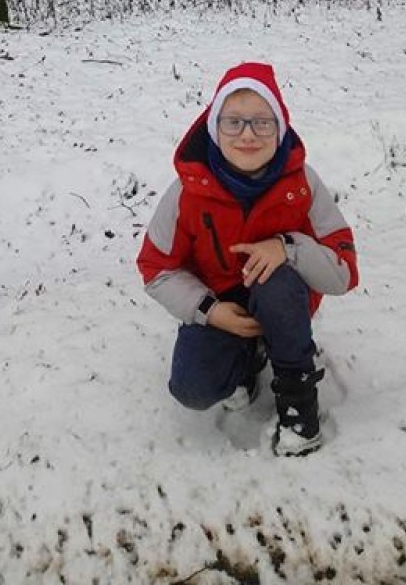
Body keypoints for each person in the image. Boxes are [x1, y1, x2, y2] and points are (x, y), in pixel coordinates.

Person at [137, 61, 358, 456]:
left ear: (280, 128)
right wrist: (209, 310)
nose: (248, 135)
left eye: (262, 123)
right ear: (214, 129)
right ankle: (245, 363)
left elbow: (342, 273)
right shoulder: (187, 192)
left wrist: (289, 247)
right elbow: (156, 268)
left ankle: (297, 393)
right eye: (233, 122)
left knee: (275, 280)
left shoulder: (303, 184)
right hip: (219, 305)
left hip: (282, 301)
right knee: (192, 388)